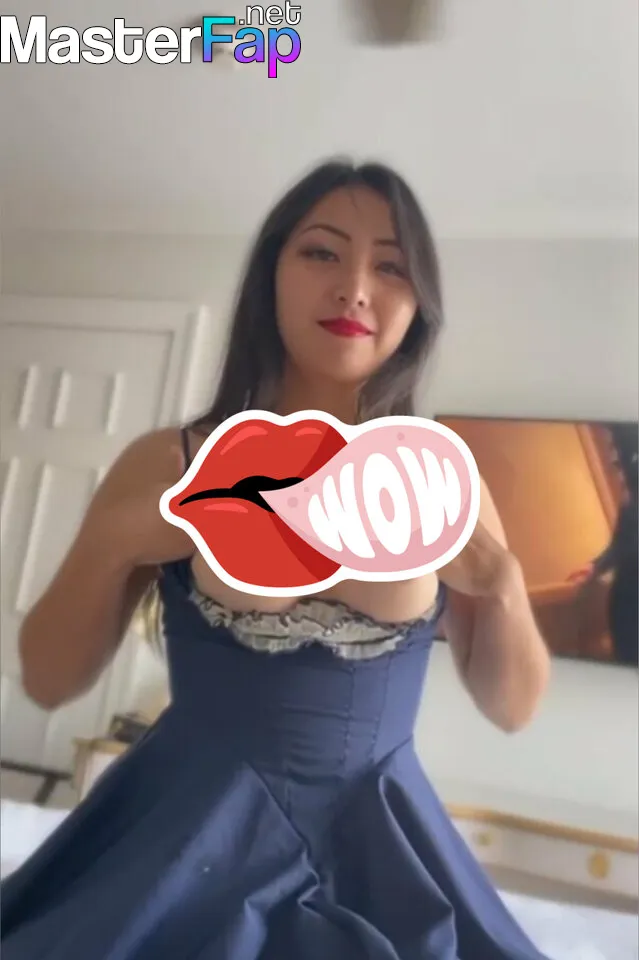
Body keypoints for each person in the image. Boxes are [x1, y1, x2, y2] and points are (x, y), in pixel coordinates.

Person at [1, 160, 552, 959]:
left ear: (418, 306)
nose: (353, 289)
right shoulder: (169, 459)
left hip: (379, 843)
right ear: (270, 274)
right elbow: (50, 681)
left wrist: (501, 586)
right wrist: (116, 541)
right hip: (183, 834)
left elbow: (512, 710)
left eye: (391, 266)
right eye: (321, 252)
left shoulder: (443, 474)